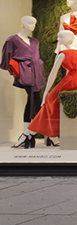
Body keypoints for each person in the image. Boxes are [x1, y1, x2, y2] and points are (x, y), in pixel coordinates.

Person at [28, 30, 77, 146]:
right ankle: (50, 136)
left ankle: (29, 133)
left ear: (69, 39)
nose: (58, 39)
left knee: (50, 102)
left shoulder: (64, 54)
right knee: (60, 106)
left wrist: (46, 92)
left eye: (60, 37)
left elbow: (53, 74)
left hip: (69, 82)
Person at [2, 16, 45, 149]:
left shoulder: (35, 41)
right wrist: (14, 72)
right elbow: (6, 58)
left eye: (34, 23)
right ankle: (29, 134)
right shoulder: (12, 40)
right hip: (25, 72)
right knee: (36, 101)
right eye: (30, 23)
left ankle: (28, 136)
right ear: (22, 24)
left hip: (37, 73)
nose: (33, 26)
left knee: (32, 101)